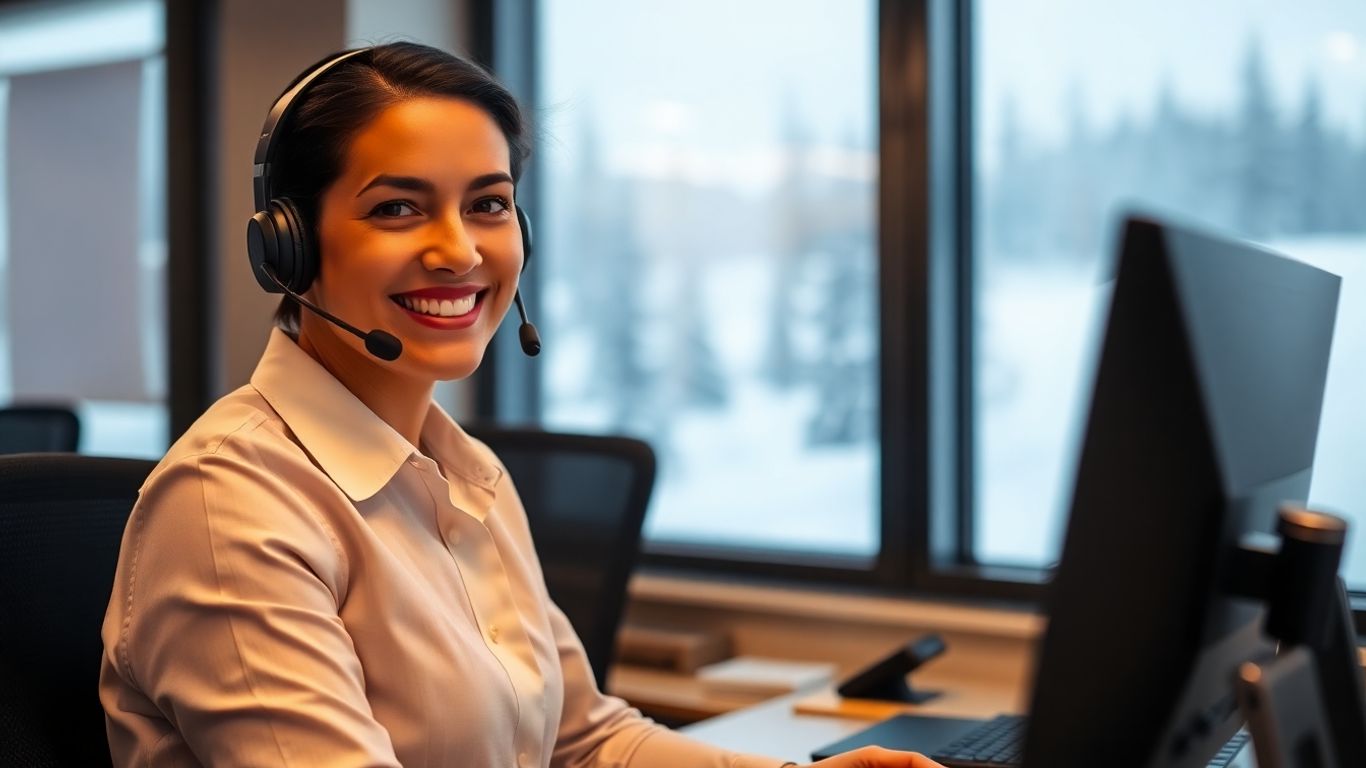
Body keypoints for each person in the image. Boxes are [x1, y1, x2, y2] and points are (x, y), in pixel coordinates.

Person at [99, 42, 944, 768]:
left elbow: (583, 741)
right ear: (288, 243)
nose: (459, 250)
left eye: (488, 204)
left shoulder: (470, 476)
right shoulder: (231, 504)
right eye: (397, 207)